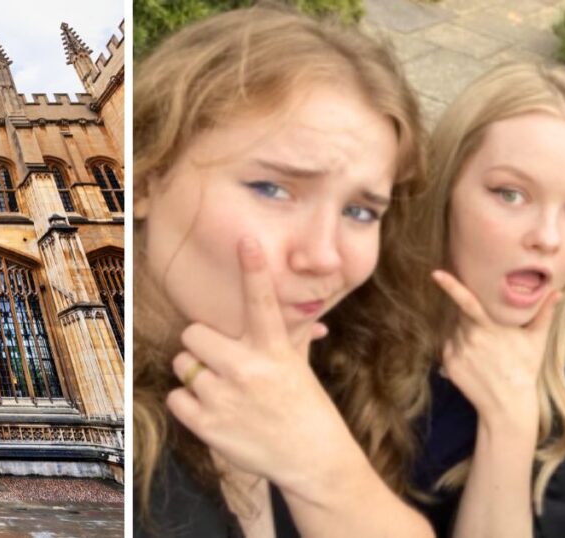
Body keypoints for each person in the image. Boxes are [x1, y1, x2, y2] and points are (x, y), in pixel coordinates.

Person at [133, 5, 434, 536]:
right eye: (272, 189)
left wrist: (322, 465)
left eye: (360, 212)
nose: (325, 256)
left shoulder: (338, 360)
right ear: (142, 181)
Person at [400, 63, 565, 537]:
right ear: (446, 188)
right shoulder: (369, 293)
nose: (548, 238)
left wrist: (507, 420)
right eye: (511, 194)